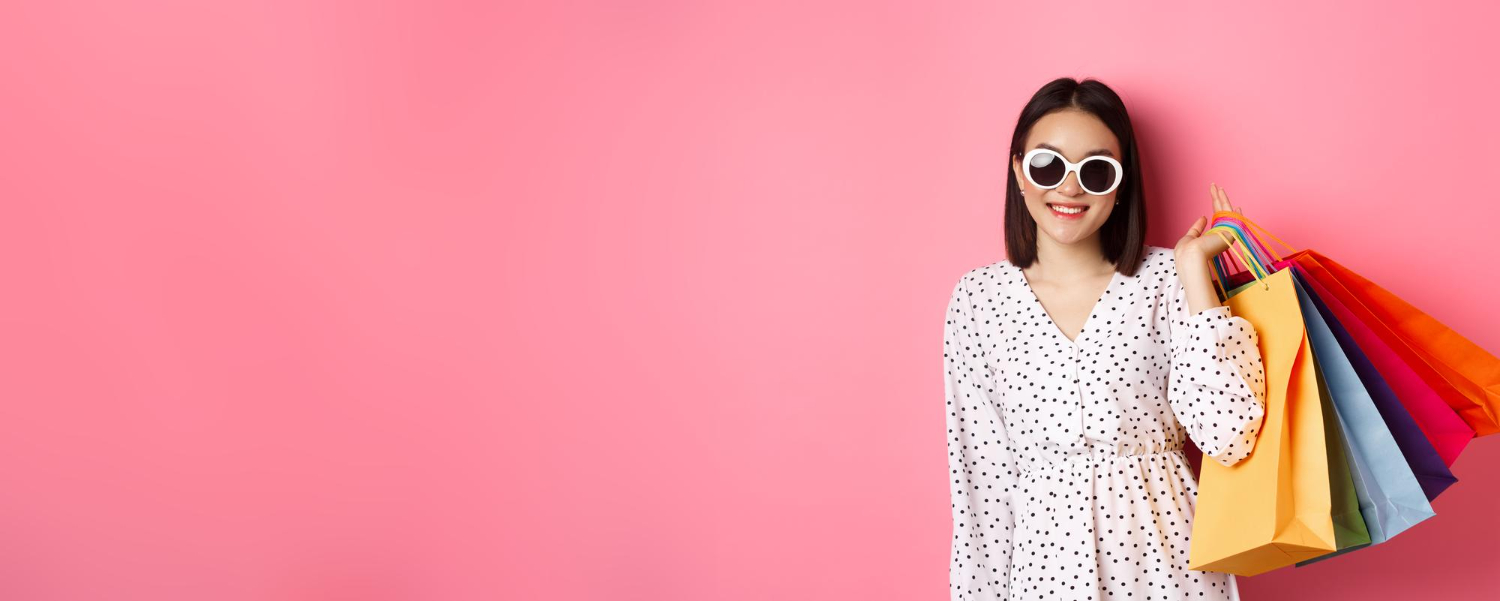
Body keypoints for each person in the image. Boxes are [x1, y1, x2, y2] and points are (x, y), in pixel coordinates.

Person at [944, 77, 1268, 601]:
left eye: (1096, 170)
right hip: (1044, 574)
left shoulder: (1167, 280)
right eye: (1047, 166)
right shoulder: (979, 300)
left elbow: (1229, 435)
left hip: (1166, 566)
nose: (1069, 188)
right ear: (1019, 171)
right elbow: (982, 484)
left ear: (1120, 184)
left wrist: (1193, 270)